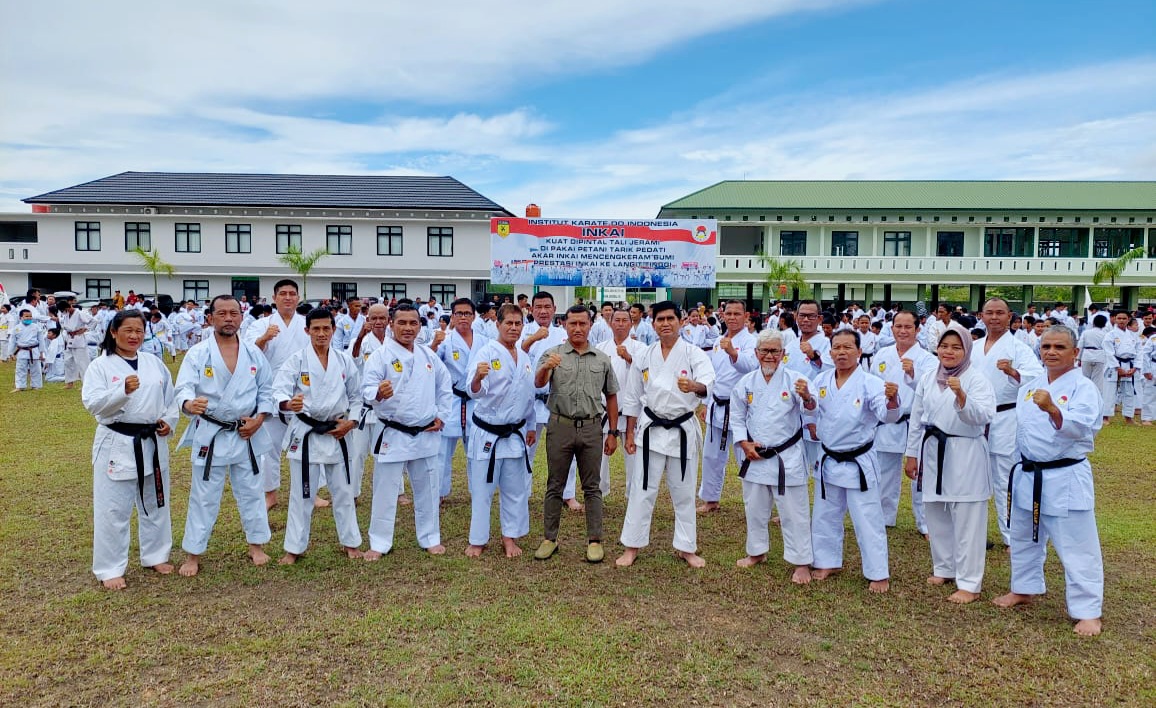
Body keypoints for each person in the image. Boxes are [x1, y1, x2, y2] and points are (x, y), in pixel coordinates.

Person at [993, 326, 1105, 637]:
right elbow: (1022, 432)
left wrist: (1053, 409)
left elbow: (1083, 428)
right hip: (1028, 473)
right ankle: (1024, 588)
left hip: (1065, 474)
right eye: (1046, 346)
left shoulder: (1084, 388)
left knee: (1077, 546)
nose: (1051, 352)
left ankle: (1088, 611)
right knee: (1024, 537)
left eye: (1059, 346)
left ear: (1074, 353)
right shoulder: (1029, 387)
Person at [174, 295, 275, 576]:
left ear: (242, 318)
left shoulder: (254, 354)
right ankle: (193, 554)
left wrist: (259, 419)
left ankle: (257, 545)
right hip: (212, 431)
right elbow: (183, 387)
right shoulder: (198, 353)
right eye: (222, 313)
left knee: (252, 492)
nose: (229, 318)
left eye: (234, 313)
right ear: (211, 318)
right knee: (204, 496)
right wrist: (188, 404)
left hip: (246, 432)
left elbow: (266, 390)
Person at [82, 309, 178, 590]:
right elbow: (93, 404)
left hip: (152, 439)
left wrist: (168, 422)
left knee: (156, 502)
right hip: (118, 441)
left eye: (139, 330)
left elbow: (169, 399)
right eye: (128, 330)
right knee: (114, 509)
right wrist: (121, 391)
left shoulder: (154, 363)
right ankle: (110, 567)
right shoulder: (100, 367)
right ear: (113, 332)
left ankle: (155, 555)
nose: (135, 336)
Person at [617, 301, 715, 568]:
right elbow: (633, 397)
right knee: (642, 490)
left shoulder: (694, 354)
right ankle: (632, 546)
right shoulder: (645, 356)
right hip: (651, 430)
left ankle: (686, 547)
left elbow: (708, 383)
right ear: (653, 323)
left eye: (670, 318)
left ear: (681, 321)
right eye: (660, 319)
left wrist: (694, 386)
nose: (665, 323)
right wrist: (628, 433)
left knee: (683, 492)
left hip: (681, 430)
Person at [904, 323, 996, 603]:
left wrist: (962, 397)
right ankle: (944, 567)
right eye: (945, 346)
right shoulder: (929, 377)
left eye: (956, 347)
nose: (949, 352)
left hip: (965, 450)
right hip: (932, 449)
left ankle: (969, 582)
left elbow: (985, 415)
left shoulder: (977, 379)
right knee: (935, 511)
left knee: (968, 518)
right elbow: (917, 418)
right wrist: (911, 454)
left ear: (966, 349)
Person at [806, 329, 901, 592]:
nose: (841, 352)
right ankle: (827, 561)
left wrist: (892, 399)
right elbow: (811, 407)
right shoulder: (822, 380)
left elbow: (887, 415)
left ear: (859, 352)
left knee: (867, 517)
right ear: (830, 352)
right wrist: (806, 400)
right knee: (825, 514)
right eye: (836, 347)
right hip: (828, 457)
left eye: (848, 347)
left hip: (858, 459)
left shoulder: (870, 383)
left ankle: (878, 572)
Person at [273, 308, 363, 564]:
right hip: (307, 433)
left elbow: (357, 397)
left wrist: (351, 422)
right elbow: (278, 391)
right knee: (302, 494)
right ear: (307, 331)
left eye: (326, 328)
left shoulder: (344, 361)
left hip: (337, 432)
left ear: (334, 330)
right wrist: (289, 404)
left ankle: (351, 543)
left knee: (344, 492)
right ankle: (294, 548)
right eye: (316, 329)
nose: (322, 333)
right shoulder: (296, 360)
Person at [362, 304, 451, 559]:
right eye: (402, 323)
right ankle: (379, 543)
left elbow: (445, 386)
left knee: (428, 490)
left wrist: (442, 416)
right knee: (385, 491)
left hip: (425, 432)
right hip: (393, 432)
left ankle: (430, 537)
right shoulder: (380, 355)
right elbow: (366, 389)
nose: (408, 328)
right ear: (391, 325)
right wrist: (378, 392)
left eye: (413, 323)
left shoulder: (427, 355)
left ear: (420, 327)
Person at [533, 305, 619, 563]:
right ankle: (550, 538)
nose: (578, 328)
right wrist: (546, 367)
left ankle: (595, 540)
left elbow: (612, 395)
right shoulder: (553, 354)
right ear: (565, 325)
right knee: (554, 485)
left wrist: (612, 431)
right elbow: (538, 383)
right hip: (560, 426)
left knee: (592, 487)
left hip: (592, 427)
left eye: (583, 323)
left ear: (590, 325)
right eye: (573, 324)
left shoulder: (601, 358)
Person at [730, 329, 815, 583]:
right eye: (764, 350)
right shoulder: (745, 383)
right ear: (756, 353)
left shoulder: (796, 380)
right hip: (755, 455)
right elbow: (736, 417)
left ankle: (801, 562)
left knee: (794, 512)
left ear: (783, 354)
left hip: (785, 456)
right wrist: (744, 443)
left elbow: (811, 410)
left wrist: (808, 398)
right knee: (754, 508)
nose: (769, 356)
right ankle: (756, 552)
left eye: (774, 351)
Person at [464, 303, 537, 558]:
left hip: (515, 434)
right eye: (509, 323)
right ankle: (478, 539)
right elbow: (472, 390)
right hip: (488, 433)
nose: (514, 328)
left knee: (515, 490)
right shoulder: (486, 353)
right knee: (482, 489)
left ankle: (510, 538)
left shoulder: (525, 358)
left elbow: (528, 396)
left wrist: (531, 425)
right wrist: (477, 379)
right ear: (498, 324)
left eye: (518, 324)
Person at [971, 297, 1043, 549]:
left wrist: (1014, 372)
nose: (994, 317)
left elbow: (1036, 377)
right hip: (974, 419)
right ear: (981, 315)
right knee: (972, 479)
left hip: (1004, 417)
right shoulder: (974, 346)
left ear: (1010, 316)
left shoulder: (1019, 348)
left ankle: (1011, 535)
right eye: (989, 312)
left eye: (999, 313)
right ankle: (974, 532)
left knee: (1004, 480)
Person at [244, 279, 310, 510]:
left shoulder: (307, 324)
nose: (288, 297)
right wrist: (263, 339)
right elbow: (248, 356)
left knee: (305, 443)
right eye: (283, 293)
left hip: (302, 391)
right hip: (271, 391)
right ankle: (270, 492)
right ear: (274, 298)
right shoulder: (260, 325)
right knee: (269, 447)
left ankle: (308, 490)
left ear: (298, 297)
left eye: (292, 293)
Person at [870, 310, 937, 533]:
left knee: (919, 475)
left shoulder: (928, 359)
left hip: (915, 422)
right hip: (888, 421)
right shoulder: (882, 355)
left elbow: (932, 392)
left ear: (918, 330)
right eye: (898, 326)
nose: (903, 331)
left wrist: (913, 374)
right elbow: (872, 387)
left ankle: (926, 523)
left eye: (908, 327)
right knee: (885, 472)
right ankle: (884, 517)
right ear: (892, 329)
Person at [697, 300, 758, 514]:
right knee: (712, 456)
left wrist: (733, 353)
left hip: (742, 408)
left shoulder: (751, 341)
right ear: (723, 315)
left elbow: (752, 367)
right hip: (718, 404)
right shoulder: (718, 341)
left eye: (737, 313)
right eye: (728, 313)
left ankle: (755, 503)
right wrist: (706, 403)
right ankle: (710, 499)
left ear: (745, 316)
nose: (732, 317)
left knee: (746, 456)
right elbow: (713, 375)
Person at [432, 298, 488, 501]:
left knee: (475, 450)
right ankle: (438, 492)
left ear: (474, 316)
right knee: (442, 453)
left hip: (475, 401)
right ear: (452, 317)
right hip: (452, 400)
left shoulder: (484, 340)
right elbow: (430, 365)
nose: (463, 317)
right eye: (459, 313)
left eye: (467, 313)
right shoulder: (444, 340)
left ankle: (478, 492)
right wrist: (434, 345)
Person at [596, 309, 646, 499]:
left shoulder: (640, 348)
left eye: (625, 320)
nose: (620, 324)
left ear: (631, 323)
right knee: (601, 454)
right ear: (610, 323)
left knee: (632, 454)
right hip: (605, 410)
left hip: (631, 410)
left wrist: (628, 358)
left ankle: (633, 495)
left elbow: (647, 373)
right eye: (617, 320)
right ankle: (599, 492)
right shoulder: (601, 347)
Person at [1103, 310, 1141, 424]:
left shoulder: (1133, 335)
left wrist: (1135, 368)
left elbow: (1139, 352)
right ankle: (1105, 416)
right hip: (1114, 365)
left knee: (1129, 391)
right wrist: (1117, 368)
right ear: (1115, 319)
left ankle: (1128, 417)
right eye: (1119, 318)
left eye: (1124, 318)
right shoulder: (1110, 335)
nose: (1121, 321)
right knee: (1109, 391)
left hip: (1129, 365)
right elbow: (1108, 352)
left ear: (1128, 320)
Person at [7, 307, 47, 392]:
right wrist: (11, 353)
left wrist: (42, 352)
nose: (29, 318)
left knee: (36, 369)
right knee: (20, 369)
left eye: (30, 316)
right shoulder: (16, 328)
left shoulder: (36, 327)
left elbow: (41, 340)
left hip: (34, 350)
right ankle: (20, 386)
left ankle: (36, 386)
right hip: (22, 351)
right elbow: (12, 342)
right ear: (20, 318)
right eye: (26, 316)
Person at [58, 297, 93, 389]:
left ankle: (87, 384)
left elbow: (93, 321)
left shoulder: (80, 313)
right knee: (68, 361)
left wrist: (85, 329)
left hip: (79, 339)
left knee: (82, 363)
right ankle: (70, 383)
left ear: (69, 307)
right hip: (69, 339)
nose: (64, 312)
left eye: (64, 310)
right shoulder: (66, 315)